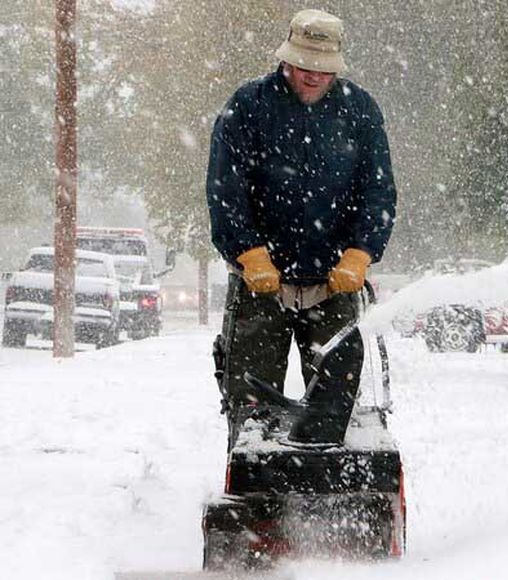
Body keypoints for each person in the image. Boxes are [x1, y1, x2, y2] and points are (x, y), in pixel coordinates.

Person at [206, 9, 396, 448]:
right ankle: (258, 500)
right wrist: (249, 252)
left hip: (334, 286)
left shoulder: (360, 111)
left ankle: (334, 496)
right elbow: (225, 190)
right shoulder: (248, 107)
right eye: (305, 65)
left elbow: (379, 192)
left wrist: (360, 253)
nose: (313, 76)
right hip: (260, 289)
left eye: (323, 69)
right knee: (253, 412)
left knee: (334, 412)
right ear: (287, 60)